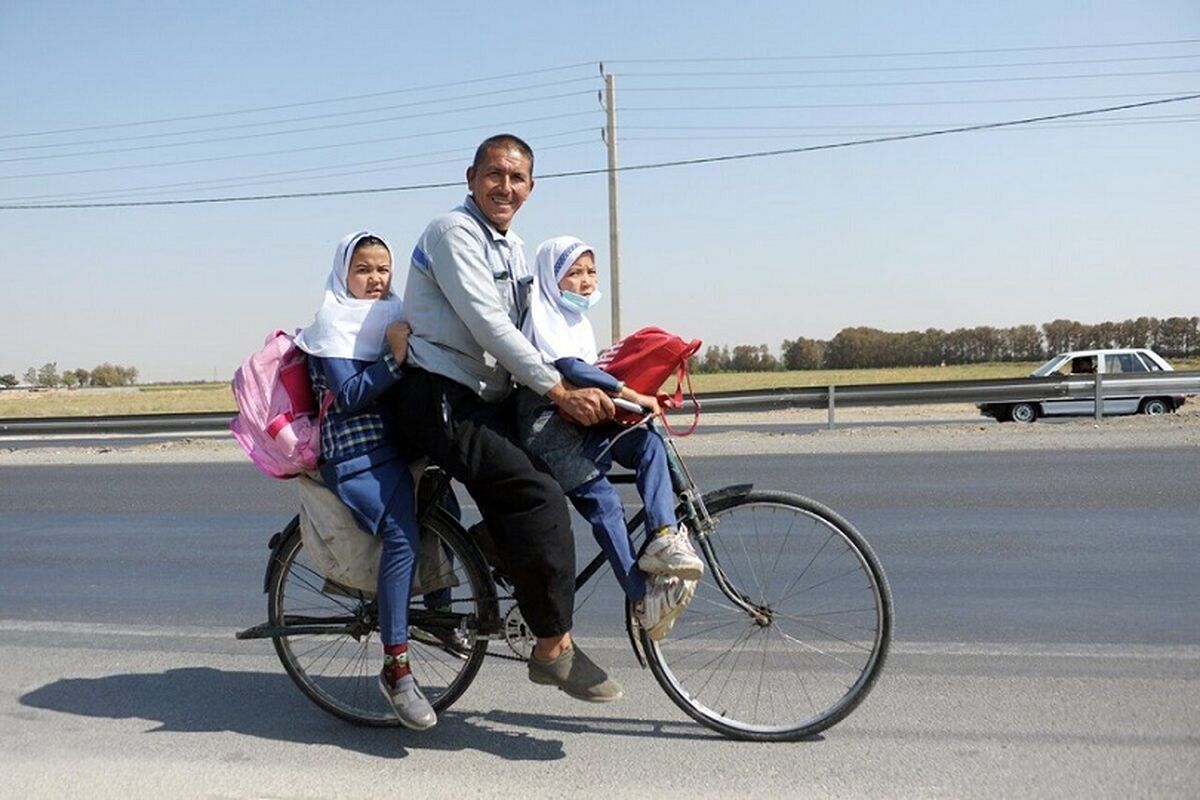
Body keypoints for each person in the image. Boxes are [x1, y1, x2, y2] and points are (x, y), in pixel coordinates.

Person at [386, 134, 623, 702]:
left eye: (517, 179)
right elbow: (491, 326)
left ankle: (494, 545)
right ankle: (552, 649)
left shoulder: (513, 247)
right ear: (471, 177)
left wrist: (603, 377)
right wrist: (559, 391)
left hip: (483, 398)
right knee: (537, 493)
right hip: (437, 395)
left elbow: (535, 328)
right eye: (495, 175)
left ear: (530, 189)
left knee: (548, 469)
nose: (506, 187)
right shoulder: (452, 233)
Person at [516, 236, 703, 640]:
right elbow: (573, 369)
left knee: (648, 443)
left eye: (591, 272)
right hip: (549, 429)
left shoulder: (575, 322)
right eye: (574, 273)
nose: (586, 282)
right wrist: (634, 395)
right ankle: (641, 598)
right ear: (552, 279)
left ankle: (664, 537)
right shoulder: (543, 317)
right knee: (605, 504)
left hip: (583, 419)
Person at [294, 230, 437, 731]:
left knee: (445, 512)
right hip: (355, 454)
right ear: (343, 275)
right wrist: (394, 356)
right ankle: (396, 668)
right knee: (402, 538)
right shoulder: (332, 322)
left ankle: (440, 617)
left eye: (382, 269)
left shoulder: (394, 312)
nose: (375, 279)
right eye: (363, 269)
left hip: (396, 444)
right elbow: (351, 395)